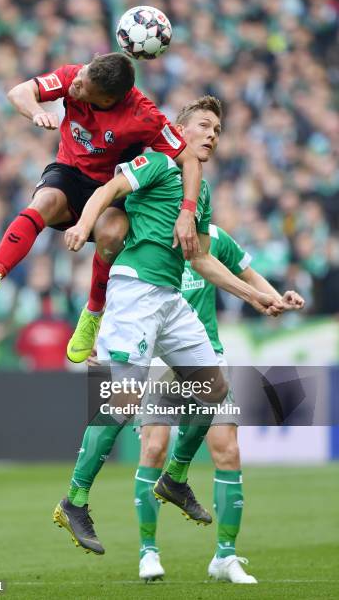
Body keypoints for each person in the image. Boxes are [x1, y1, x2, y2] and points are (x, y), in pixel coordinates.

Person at [53, 96, 283, 556]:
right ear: (181, 128)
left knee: (213, 391)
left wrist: (255, 295)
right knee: (123, 401)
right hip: (135, 290)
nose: (213, 135)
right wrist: (84, 223)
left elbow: (200, 258)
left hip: (171, 299)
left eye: (218, 129)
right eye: (204, 125)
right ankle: (74, 499)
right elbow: (107, 191)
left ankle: (175, 478)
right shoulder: (158, 161)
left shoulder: (202, 193)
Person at [0, 52, 202, 347]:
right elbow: (19, 92)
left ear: (105, 100)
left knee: (112, 234)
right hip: (69, 173)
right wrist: (36, 111)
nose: (75, 82)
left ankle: (92, 314)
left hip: (112, 187)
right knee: (44, 203)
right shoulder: (73, 75)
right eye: (80, 75)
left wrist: (187, 212)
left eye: (82, 85)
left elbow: (190, 161)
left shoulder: (144, 117)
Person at [136, 222, 304, 583]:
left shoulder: (212, 236)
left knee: (227, 450)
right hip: (159, 359)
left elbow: (248, 273)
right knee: (154, 448)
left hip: (207, 357)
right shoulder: (145, 232)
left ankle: (225, 557)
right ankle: (148, 551)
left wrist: (277, 297)